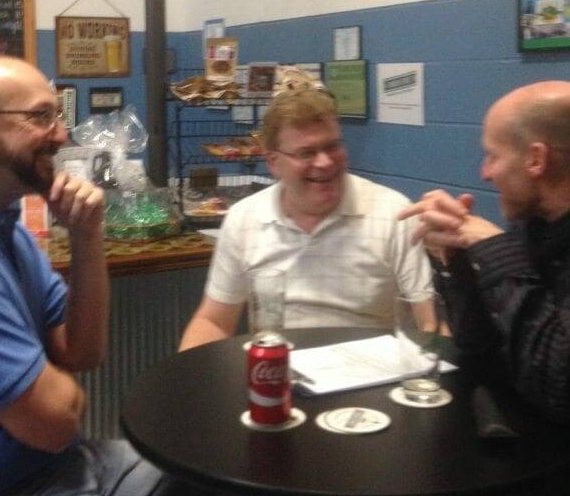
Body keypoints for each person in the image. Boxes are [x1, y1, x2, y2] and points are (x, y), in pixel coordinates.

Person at [0, 57, 244, 496]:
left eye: (57, 115)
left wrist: (87, 237)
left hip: (66, 464)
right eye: (40, 117)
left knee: (220, 480)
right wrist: (53, 385)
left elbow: (82, 351)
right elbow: (56, 421)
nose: (62, 134)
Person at [398, 80, 570, 496]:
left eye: (492, 154)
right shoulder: (541, 222)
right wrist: (457, 264)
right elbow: (483, 350)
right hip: (546, 453)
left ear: (536, 159)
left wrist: (494, 248)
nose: (484, 173)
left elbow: (565, 389)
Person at [180, 88, 432, 350]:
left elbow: (429, 323)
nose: (324, 162)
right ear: (274, 163)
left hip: (372, 380)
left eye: (332, 146)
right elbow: (214, 321)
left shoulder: (394, 214)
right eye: (306, 153)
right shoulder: (244, 219)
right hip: (277, 374)